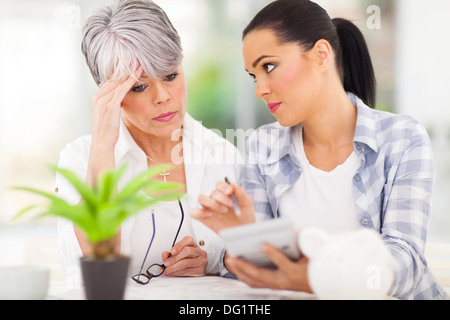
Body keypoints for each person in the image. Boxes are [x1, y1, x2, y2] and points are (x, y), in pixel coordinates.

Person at [192, 0, 447, 300]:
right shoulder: (262, 147)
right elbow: (259, 274)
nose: (260, 89)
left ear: (321, 55)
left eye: (269, 66)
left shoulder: (403, 139)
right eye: (253, 75)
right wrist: (243, 236)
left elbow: (406, 263)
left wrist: (321, 277)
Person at [55, 0, 241, 282]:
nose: (163, 96)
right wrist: (104, 146)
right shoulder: (79, 161)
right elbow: (97, 264)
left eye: (171, 75)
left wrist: (210, 262)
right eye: (139, 86)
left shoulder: (222, 155)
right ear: (108, 95)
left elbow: (252, 262)